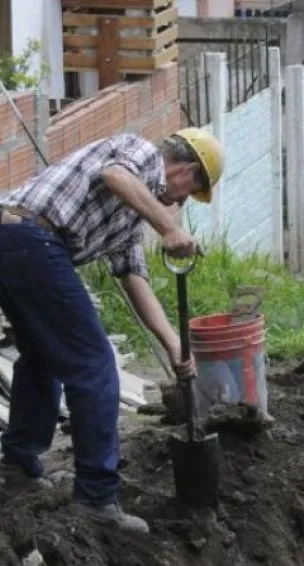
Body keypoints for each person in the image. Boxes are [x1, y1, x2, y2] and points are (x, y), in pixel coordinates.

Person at [0, 129, 224, 533]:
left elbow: (133, 277)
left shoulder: (131, 214)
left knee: (42, 358)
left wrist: (175, 346)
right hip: (30, 238)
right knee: (95, 365)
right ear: (187, 170)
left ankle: (18, 467)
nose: (183, 201)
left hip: (16, 243)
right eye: (192, 190)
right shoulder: (140, 152)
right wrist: (168, 228)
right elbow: (115, 176)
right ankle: (97, 496)